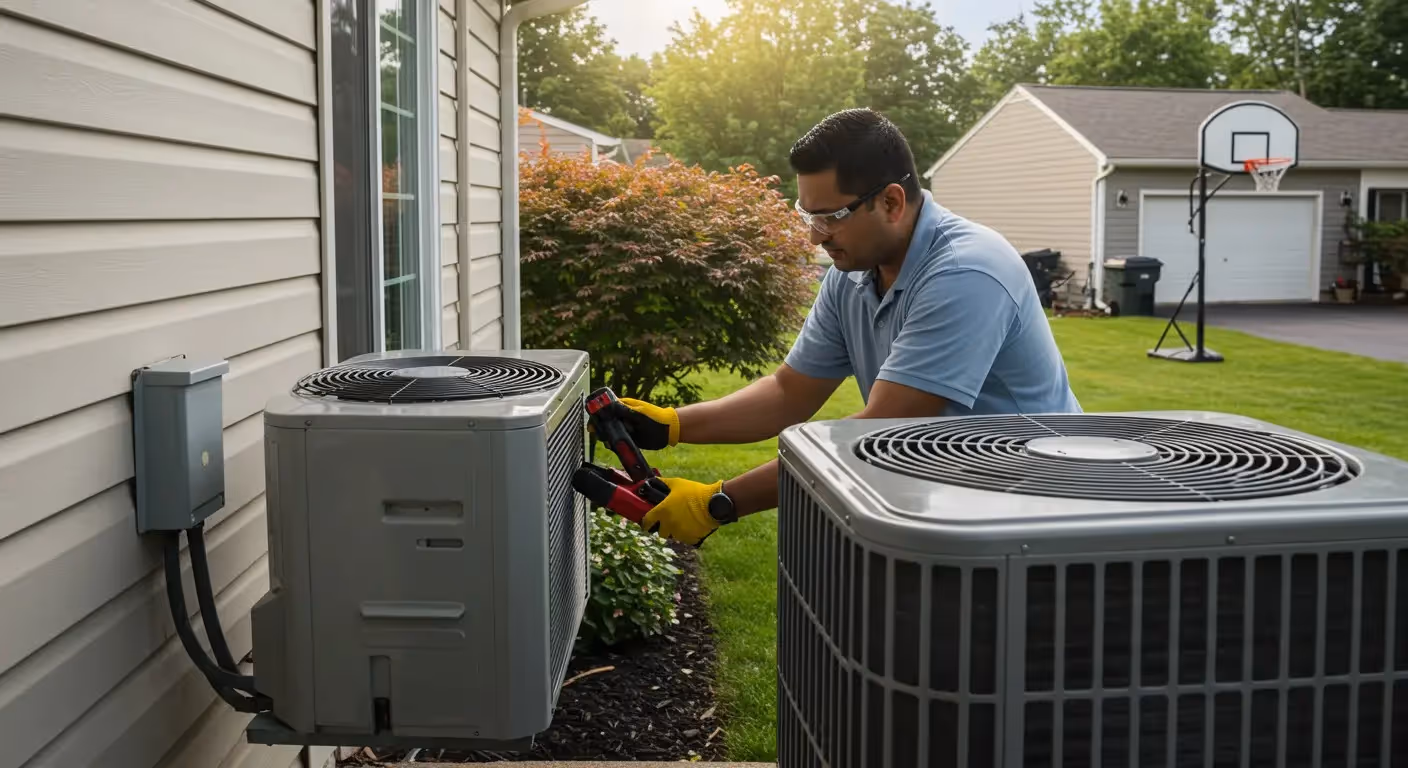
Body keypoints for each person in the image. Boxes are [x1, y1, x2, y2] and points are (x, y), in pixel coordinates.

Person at [604, 108, 1082, 546]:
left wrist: (718, 502)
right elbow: (789, 393)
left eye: (830, 217)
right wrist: (674, 425)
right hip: (961, 499)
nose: (815, 236)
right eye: (806, 215)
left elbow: (884, 428)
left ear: (892, 202)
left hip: (1043, 508)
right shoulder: (850, 275)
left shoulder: (965, 272)